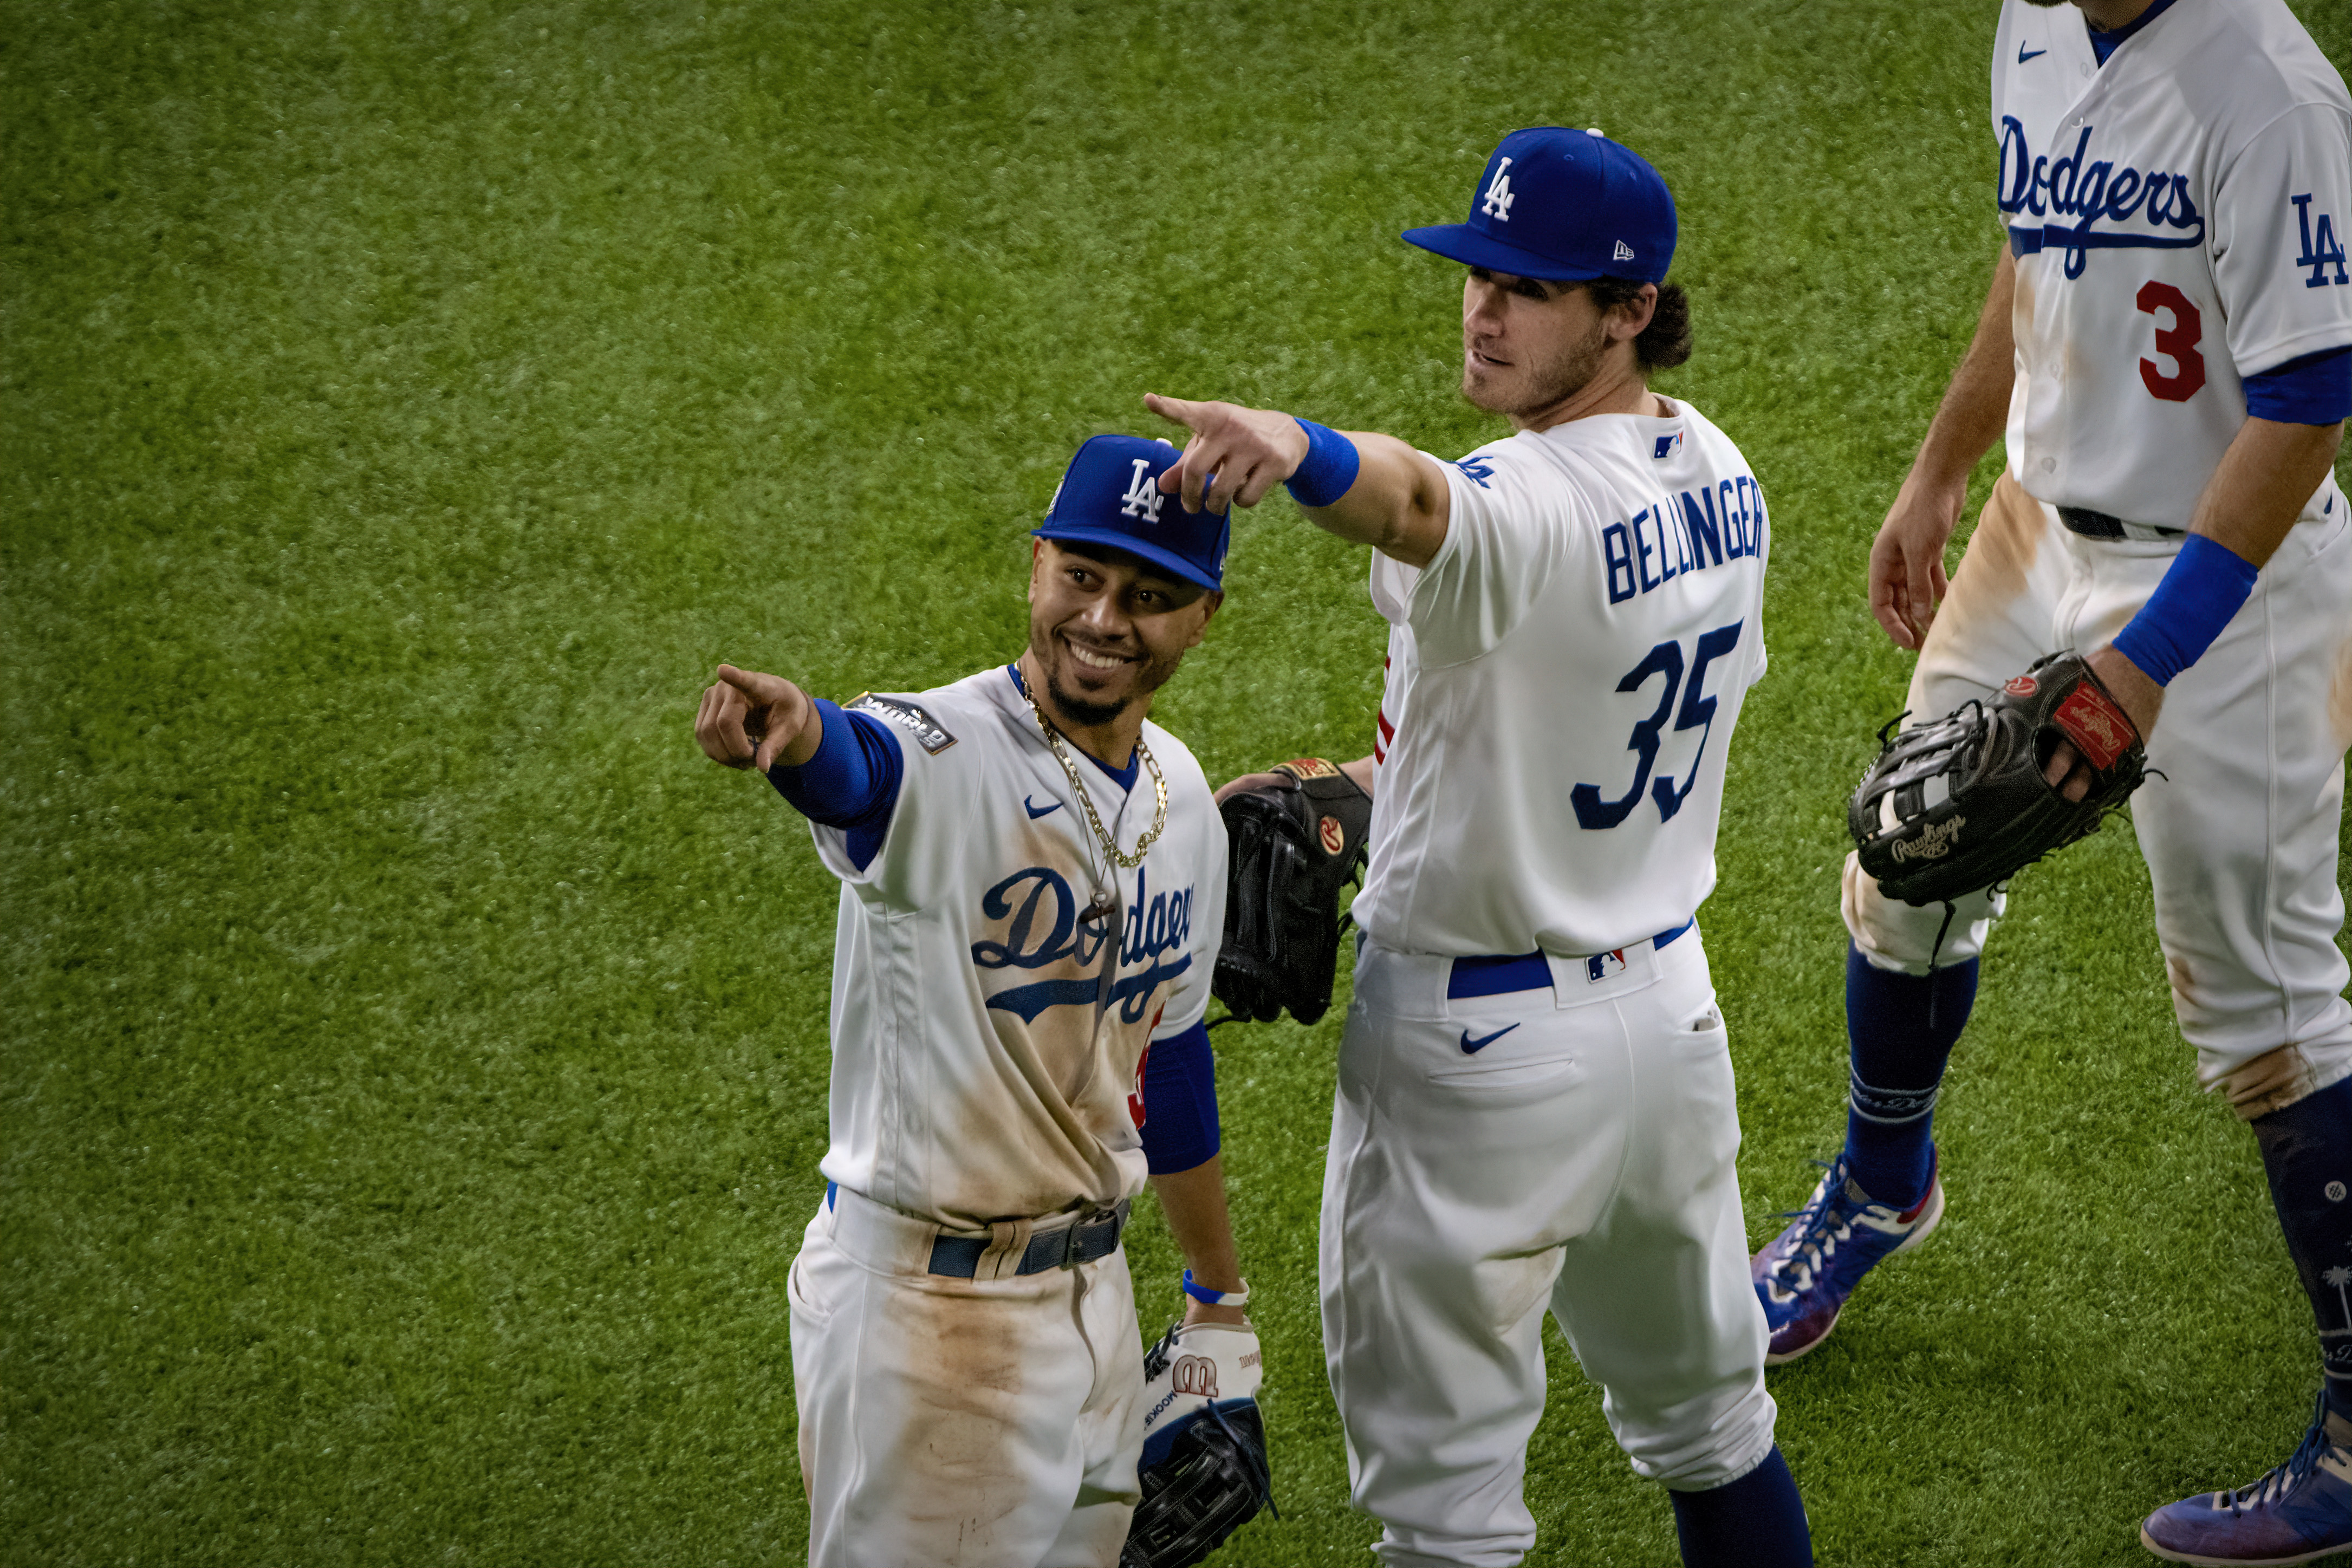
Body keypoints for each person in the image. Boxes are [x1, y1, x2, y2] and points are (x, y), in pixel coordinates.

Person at [1148, 126, 1812, 1567]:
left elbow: (1418, 503)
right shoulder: (1719, 475)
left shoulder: (1518, 509)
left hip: (1475, 1065)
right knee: (1712, 1433)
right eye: (1476, 275)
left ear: (1629, 307)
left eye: (1531, 287)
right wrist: (1379, 785)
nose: (1484, 311)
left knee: (1443, 1519)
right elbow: (1554, 707)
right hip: (1664, 1033)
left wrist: (1296, 449)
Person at [1742, 1, 2352, 1560]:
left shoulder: (2268, 92)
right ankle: (1882, 1184)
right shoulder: (2031, 26)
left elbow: (2302, 403)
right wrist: (1944, 462)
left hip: (2227, 584)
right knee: (1903, 861)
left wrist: (2140, 668)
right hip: (2036, 528)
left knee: (2262, 1011)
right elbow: (2038, 258)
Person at [692, 434, 1261, 1568]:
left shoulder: (1181, 796)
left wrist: (1216, 1297)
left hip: (1092, 1303)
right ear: (1036, 564)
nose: (1103, 618)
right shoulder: (941, 749)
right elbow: (857, 765)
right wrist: (797, 731)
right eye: (1082, 578)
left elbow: (1171, 1059)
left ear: (1201, 616)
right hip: (925, 1319)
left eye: (1149, 595)